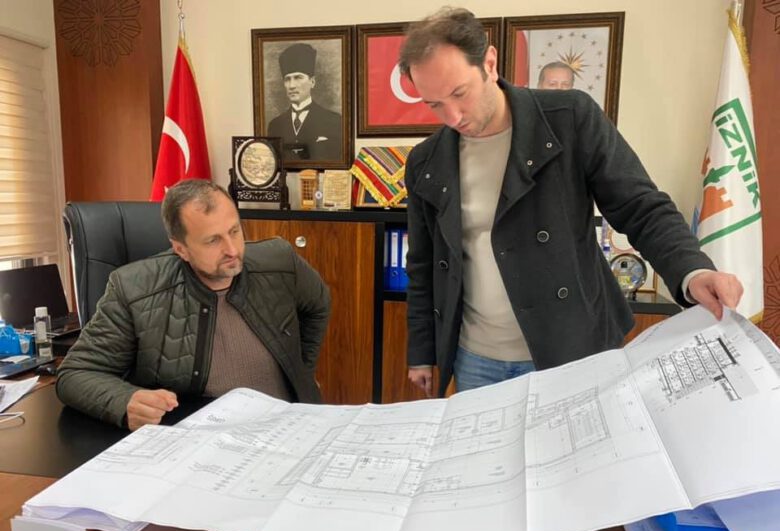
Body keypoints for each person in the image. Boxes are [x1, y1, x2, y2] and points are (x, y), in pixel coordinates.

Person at [398, 8, 743, 397]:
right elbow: (424, 264)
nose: (453, 116)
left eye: (460, 93)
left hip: (571, 348)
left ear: (489, 63)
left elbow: (640, 206)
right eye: (435, 104)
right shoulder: (426, 162)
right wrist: (421, 352)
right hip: (475, 357)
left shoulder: (569, 118)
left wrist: (693, 271)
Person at [57, 179, 331, 429]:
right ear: (181, 249)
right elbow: (75, 373)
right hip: (201, 437)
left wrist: (301, 371)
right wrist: (125, 400)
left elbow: (319, 305)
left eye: (234, 231)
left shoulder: (280, 263)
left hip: (287, 427)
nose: (232, 250)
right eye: (213, 240)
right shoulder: (133, 290)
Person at [267, 42, 342, 161]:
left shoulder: (334, 121)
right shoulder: (275, 125)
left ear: (312, 82)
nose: (292, 85)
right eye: (287, 79)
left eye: (298, 78)